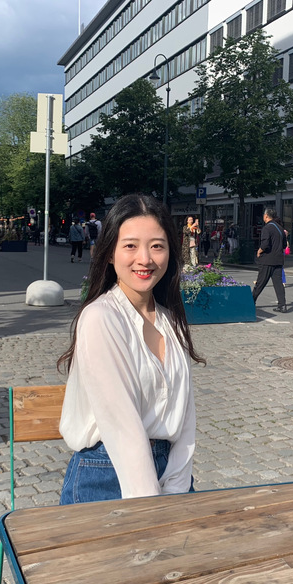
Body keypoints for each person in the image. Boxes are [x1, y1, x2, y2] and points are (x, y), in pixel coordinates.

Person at [57, 193, 204, 505]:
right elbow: (121, 427)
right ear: (110, 254)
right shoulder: (100, 318)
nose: (145, 259)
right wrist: (151, 511)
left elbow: (185, 415)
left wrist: (178, 486)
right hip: (106, 475)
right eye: (130, 246)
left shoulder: (170, 321)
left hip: (169, 471)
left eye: (157, 246)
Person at [252, 207, 288, 313]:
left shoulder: (267, 228)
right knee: (278, 283)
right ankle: (282, 305)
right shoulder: (280, 228)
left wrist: (259, 251)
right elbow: (284, 245)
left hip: (267, 259)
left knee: (261, 282)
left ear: (266, 216)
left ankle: (251, 301)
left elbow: (265, 244)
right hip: (278, 259)